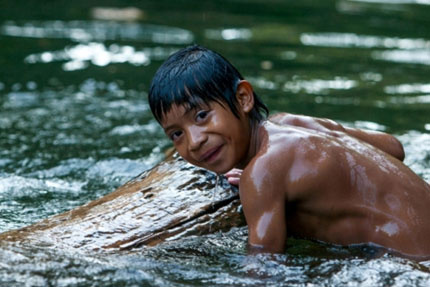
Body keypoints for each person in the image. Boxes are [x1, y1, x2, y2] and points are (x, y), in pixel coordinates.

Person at [148, 45, 430, 259]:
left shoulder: (262, 172)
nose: (194, 141)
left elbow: (265, 265)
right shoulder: (291, 123)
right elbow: (394, 147)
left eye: (201, 116)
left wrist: (261, 181)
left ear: (243, 98)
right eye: (176, 134)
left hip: (415, 263)